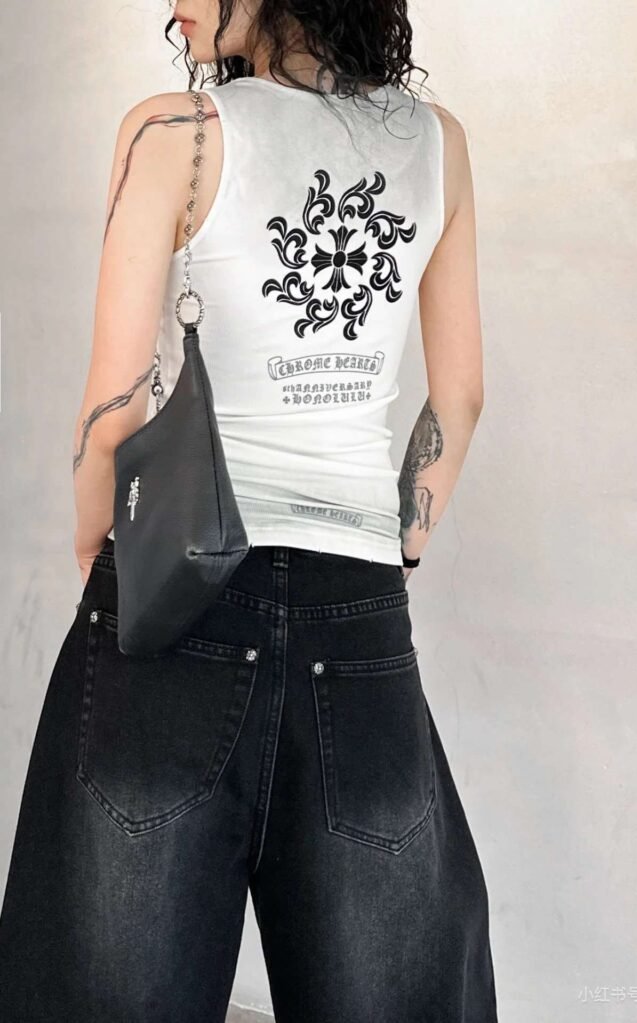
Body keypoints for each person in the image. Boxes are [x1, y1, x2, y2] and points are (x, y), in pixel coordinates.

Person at [0, 1, 497, 1020]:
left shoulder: (171, 134)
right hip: (357, 615)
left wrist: (99, 548)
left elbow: (114, 407)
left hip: (173, 598)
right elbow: (459, 399)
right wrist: (391, 549)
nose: (171, 6)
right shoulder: (438, 145)